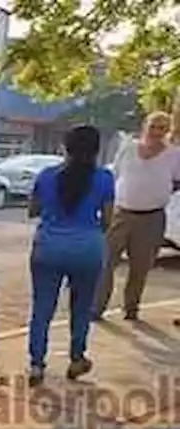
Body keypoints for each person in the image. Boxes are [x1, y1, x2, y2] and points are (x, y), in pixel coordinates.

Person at [25, 125, 114, 385]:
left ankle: (37, 364)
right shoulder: (104, 178)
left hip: (48, 247)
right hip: (87, 248)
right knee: (81, 307)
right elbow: (108, 219)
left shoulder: (46, 175)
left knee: (42, 308)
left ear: (65, 147)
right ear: (97, 150)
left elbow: (33, 210)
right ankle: (77, 357)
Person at [92, 111, 180, 320]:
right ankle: (96, 308)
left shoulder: (174, 154)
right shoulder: (128, 148)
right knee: (106, 263)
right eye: (153, 126)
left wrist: (159, 192)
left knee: (140, 267)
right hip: (121, 213)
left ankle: (131, 308)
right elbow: (116, 176)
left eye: (162, 128)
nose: (156, 132)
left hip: (151, 217)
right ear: (144, 127)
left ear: (167, 132)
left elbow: (177, 181)